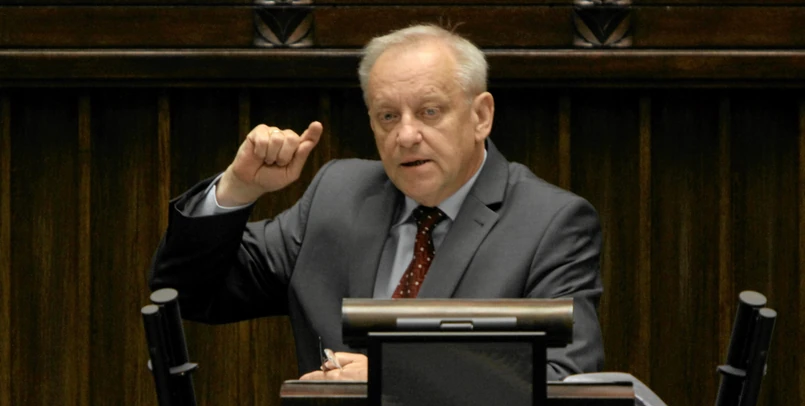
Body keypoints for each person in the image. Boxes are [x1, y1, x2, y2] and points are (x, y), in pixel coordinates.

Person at [149, 24, 604, 382]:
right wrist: (238, 188)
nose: (405, 135)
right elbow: (186, 293)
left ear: (481, 115)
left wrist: (392, 378)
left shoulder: (549, 223)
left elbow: (567, 381)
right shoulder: (337, 195)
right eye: (388, 116)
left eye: (429, 111)